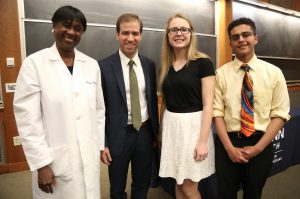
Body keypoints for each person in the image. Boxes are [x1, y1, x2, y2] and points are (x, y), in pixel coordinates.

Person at [13, 6, 105, 199]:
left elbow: (98, 110)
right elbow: (28, 121)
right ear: (54, 27)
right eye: (66, 25)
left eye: (78, 28)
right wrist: (41, 165)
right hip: (54, 161)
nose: (71, 32)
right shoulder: (34, 64)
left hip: (87, 157)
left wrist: (98, 145)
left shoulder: (91, 65)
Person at [213, 17, 290, 199]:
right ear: (230, 43)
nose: (241, 39)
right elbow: (217, 113)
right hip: (227, 145)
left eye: (246, 35)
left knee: (253, 194)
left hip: (260, 144)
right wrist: (230, 149)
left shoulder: (274, 73)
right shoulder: (220, 73)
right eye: (235, 37)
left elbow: (280, 114)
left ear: (256, 38)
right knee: (225, 194)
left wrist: (257, 148)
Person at [98, 13, 159, 199]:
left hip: (145, 134)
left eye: (135, 33)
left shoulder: (149, 64)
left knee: (141, 184)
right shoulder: (103, 66)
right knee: (117, 187)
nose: (130, 38)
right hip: (117, 136)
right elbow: (99, 108)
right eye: (125, 33)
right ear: (117, 35)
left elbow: (153, 101)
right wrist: (103, 143)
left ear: (141, 35)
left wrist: (156, 134)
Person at [158, 13, 216, 199]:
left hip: (194, 129)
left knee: (189, 187)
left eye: (184, 29)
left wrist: (202, 141)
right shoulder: (165, 66)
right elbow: (165, 103)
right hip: (172, 128)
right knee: (179, 182)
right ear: (168, 35)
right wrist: (161, 133)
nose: (179, 33)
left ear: (191, 34)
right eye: (174, 29)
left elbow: (208, 105)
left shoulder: (203, 63)